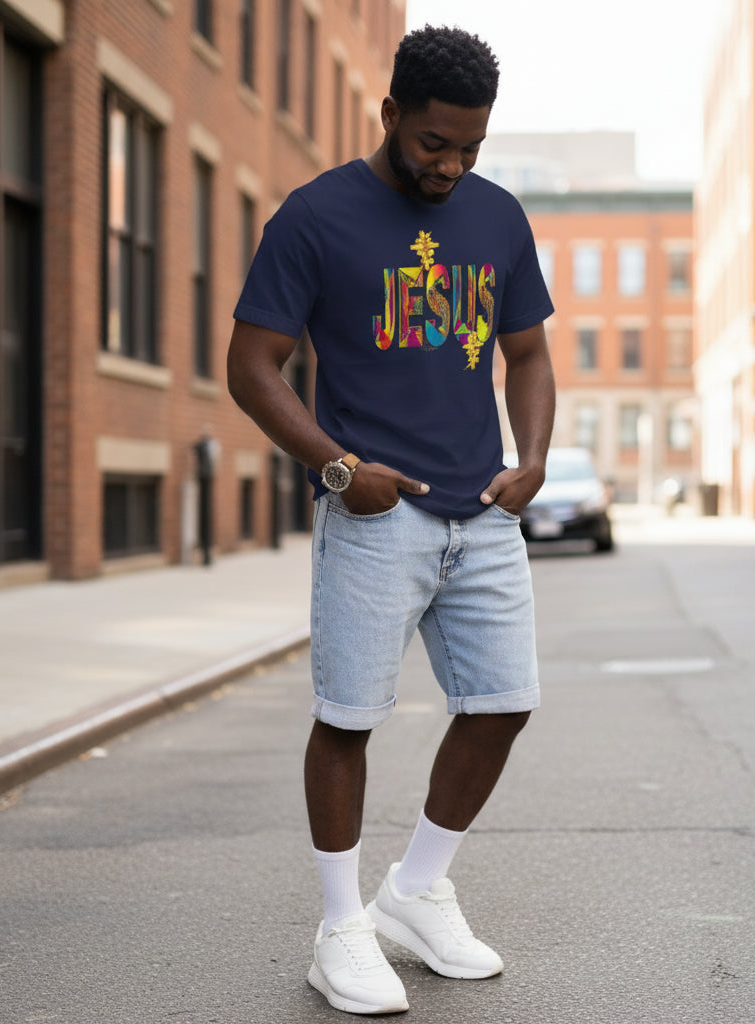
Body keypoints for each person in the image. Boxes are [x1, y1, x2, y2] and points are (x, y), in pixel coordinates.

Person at [228, 24, 555, 1016]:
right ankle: (340, 930)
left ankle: (414, 891)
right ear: (390, 115)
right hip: (374, 514)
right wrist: (336, 468)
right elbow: (251, 366)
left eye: (470, 149)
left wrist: (532, 459)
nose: (451, 166)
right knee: (348, 719)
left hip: (482, 511)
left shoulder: (497, 216)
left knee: (502, 704)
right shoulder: (315, 217)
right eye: (433, 145)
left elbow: (528, 354)